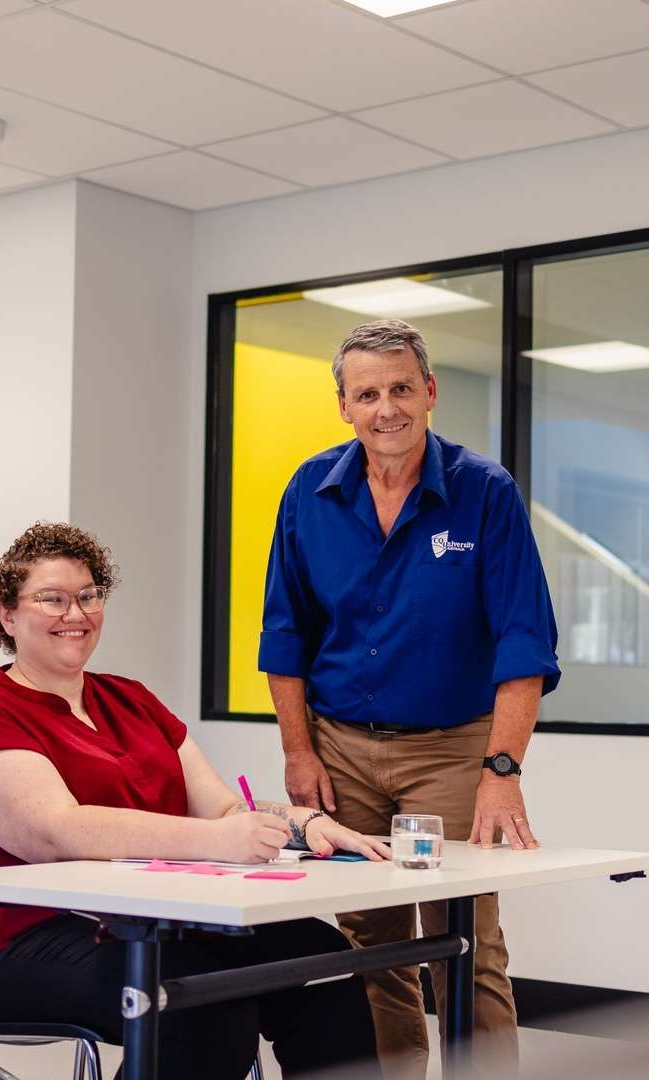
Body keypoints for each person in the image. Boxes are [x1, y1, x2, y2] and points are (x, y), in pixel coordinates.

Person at [0, 523, 388, 1080]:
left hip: (153, 921)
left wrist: (300, 822)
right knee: (197, 1002)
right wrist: (218, 841)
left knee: (320, 957)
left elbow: (221, 810)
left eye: (89, 596)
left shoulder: (130, 698)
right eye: (52, 599)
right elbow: (57, 831)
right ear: (6, 614)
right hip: (20, 942)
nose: (76, 613)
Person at [259, 318, 560, 1079]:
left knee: (468, 940)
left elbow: (523, 642)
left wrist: (502, 768)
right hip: (340, 749)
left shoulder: (483, 492)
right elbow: (285, 634)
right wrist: (299, 753)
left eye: (400, 388)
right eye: (367, 394)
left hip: (453, 747)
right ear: (344, 406)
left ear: (429, 392)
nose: (385, 407)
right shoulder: (309, 492)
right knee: (375, 944)